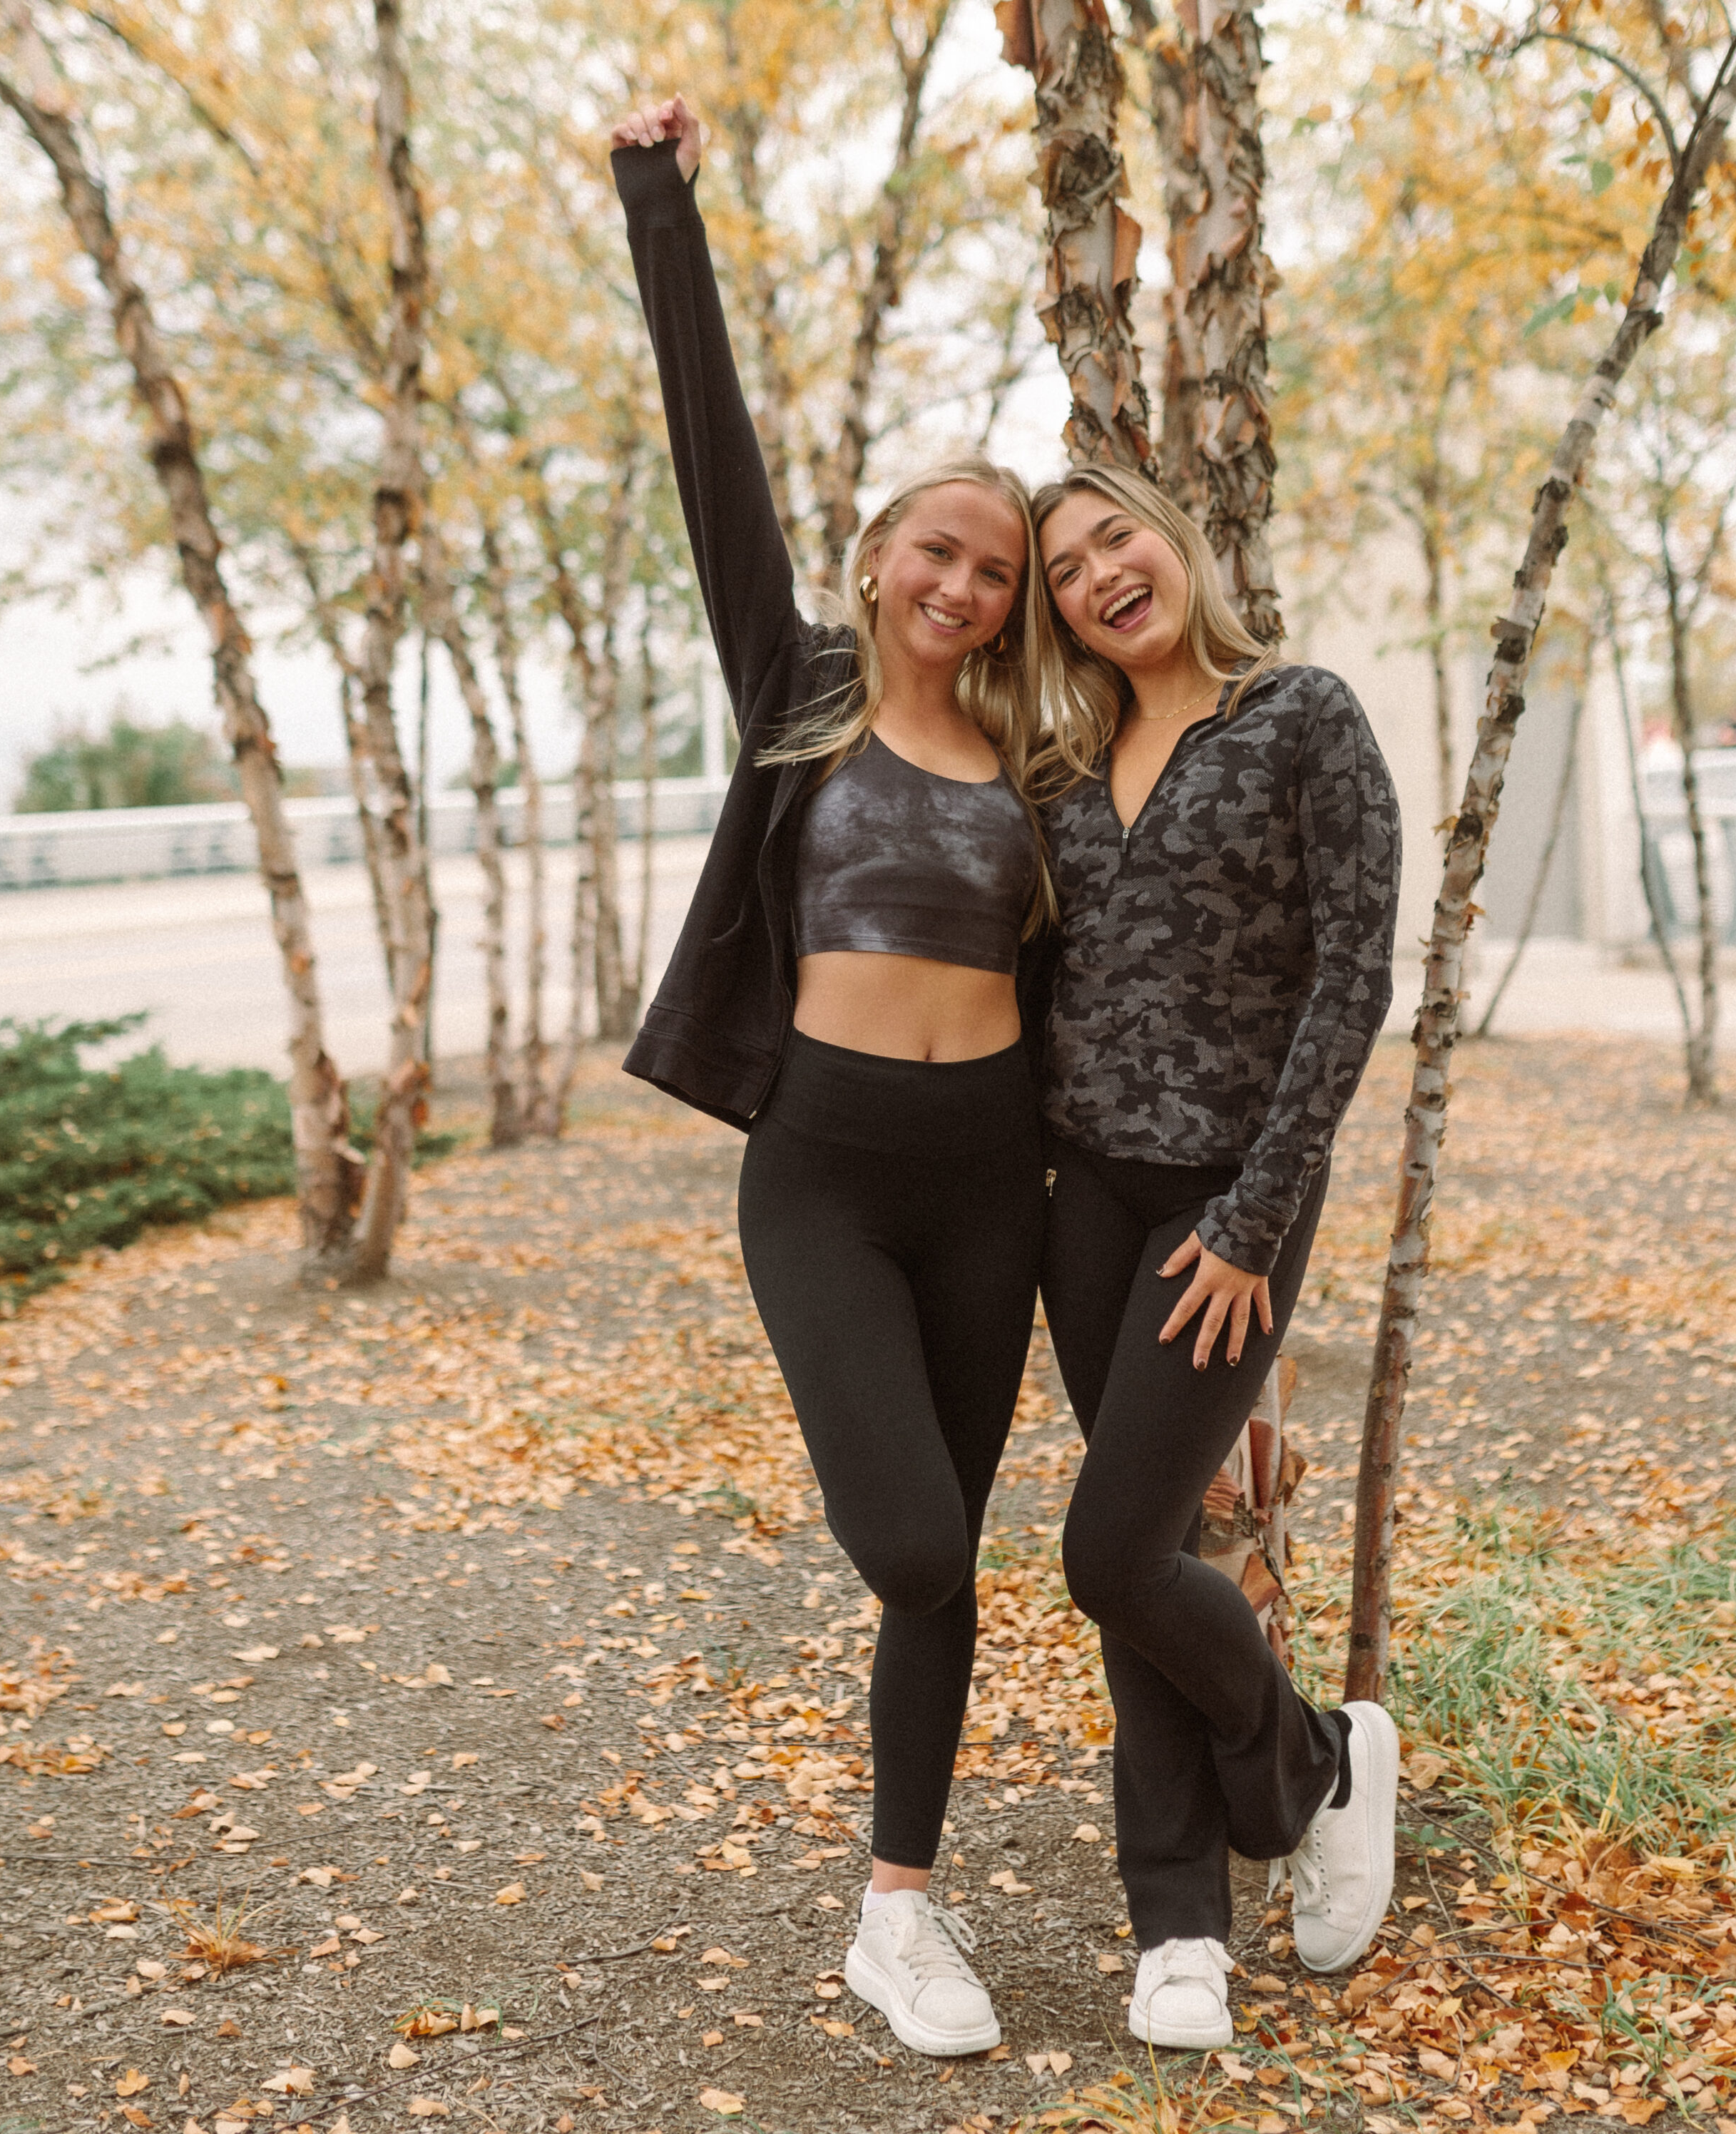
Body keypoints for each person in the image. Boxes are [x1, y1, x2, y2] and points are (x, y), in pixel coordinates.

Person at [609, 94, 1052, 2061]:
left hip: (996, 1177)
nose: (962, 591)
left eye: (995, 578)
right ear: (881, 557)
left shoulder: (1040, 766)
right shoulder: (795, 693)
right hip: (825, 1171)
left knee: (943, 1583)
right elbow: (714, 458)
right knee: (918, 1546)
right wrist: (661, 204)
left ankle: (899, 1911)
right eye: (939, 555)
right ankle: (896, 1908)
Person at [1028, 462, 1404, 2048]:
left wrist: (1255, 1216)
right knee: (1149, 1540)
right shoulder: (1055, 765)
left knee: (1107, 1551)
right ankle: (1175, 1926)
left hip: (1221, 1204)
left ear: (1174, 542)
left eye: (1117, 534)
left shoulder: (1299, 712)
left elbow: (1352, 967)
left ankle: (1312, 1763)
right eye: (1064, 568)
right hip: (1079, 1197)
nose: (1100, 571)